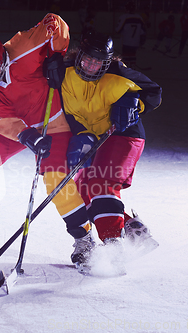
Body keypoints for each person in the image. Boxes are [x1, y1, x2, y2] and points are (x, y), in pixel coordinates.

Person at [0, 13, 94, 269]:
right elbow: (2, 122)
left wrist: (57, 54)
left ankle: (85, 238)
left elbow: (55, 22)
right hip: (19, 127)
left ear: (1, 56)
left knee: (56, 183)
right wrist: (27, 136)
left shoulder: (25, 46)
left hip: (55, 121)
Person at [60, 30, 162, 275]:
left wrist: (133, 103)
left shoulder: (118, 72)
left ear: (107, 61)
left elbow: (154, 93)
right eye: (87, 60)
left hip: (124, 134)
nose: (92, 66)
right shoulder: (63, 72)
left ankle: (114, 247)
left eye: (98, 62)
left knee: (100, 182)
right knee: (83, 188)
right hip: (94, 138)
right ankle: (131, 227)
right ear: (79, 55)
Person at [115, 1, 146, 69]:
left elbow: (118, 30)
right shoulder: (139, 18)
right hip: (136, 42)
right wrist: (142, 42)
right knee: (133, 57)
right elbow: (143, 31)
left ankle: (126, 72)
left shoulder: (124, 17)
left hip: (126, 42)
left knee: (125, 59)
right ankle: (132, 70)